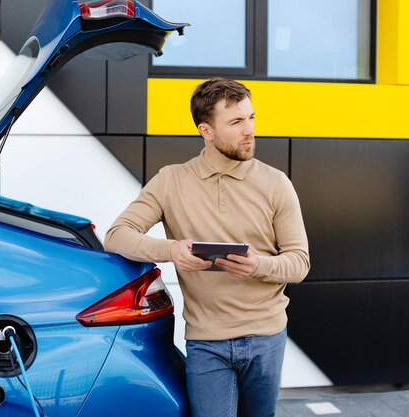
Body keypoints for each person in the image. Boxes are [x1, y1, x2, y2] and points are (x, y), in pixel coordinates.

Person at [104, 77, 310, 417]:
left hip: (267, 337)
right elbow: (117, 235)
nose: (249, 130)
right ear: (207, 131)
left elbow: (299, 262)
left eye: (251, 118)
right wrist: (171, 250)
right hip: (207, 342)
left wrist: (259, 265)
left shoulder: (276, 184)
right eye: (236, 122)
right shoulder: (171, 180)